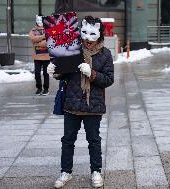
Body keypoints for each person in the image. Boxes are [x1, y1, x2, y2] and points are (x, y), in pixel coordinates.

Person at [47, 16, 114, 188]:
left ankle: (96, 171)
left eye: (92, 34)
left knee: (94, 140)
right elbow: (64, 72)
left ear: (99, 34)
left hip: (93, 105)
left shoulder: (105, 54)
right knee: (68, 140)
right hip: (72, 105)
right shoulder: (72, 49)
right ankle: (66, 172)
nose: (87, 39)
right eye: (84, 34)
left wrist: (91, 73)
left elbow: (108, 79)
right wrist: (55, 71)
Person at [29, 15, 51, 95]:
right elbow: (32, 39)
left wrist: (38, 42)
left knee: (46, 73)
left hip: (46, 56)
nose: (39, 22)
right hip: (37, 56)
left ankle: (46, 89)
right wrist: (43, 37)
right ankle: (39, 88)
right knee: (37, 72)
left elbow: (49, 41)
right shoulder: (33, 30)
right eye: (38, 20)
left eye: (41, 20)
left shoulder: (48, 29)